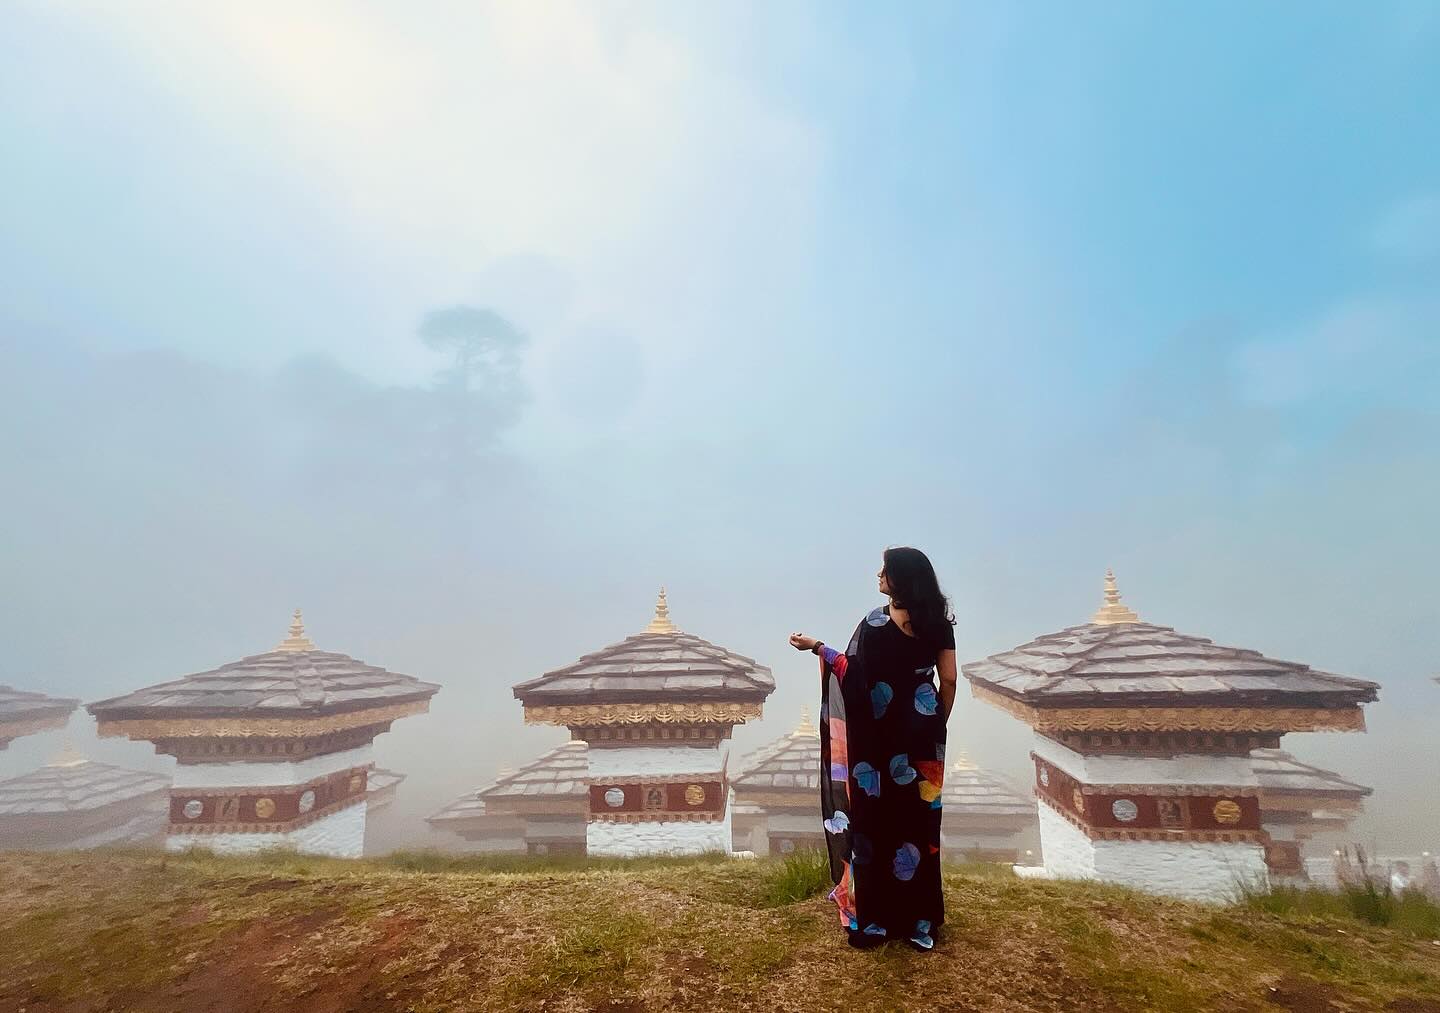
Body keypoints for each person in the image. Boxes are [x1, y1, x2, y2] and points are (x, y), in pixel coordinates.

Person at [789, 546, 958, 951]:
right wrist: (937, 723)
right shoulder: (938, 622)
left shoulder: (875, 623)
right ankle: (919, 923)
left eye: (885, 571)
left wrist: (817, 647)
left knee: (873, 822)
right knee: (919, 826)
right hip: (922, 735)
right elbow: (949, 680)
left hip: (876, 739)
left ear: (901, 579)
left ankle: (875, 921)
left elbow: (851, 672)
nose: (878, 577)